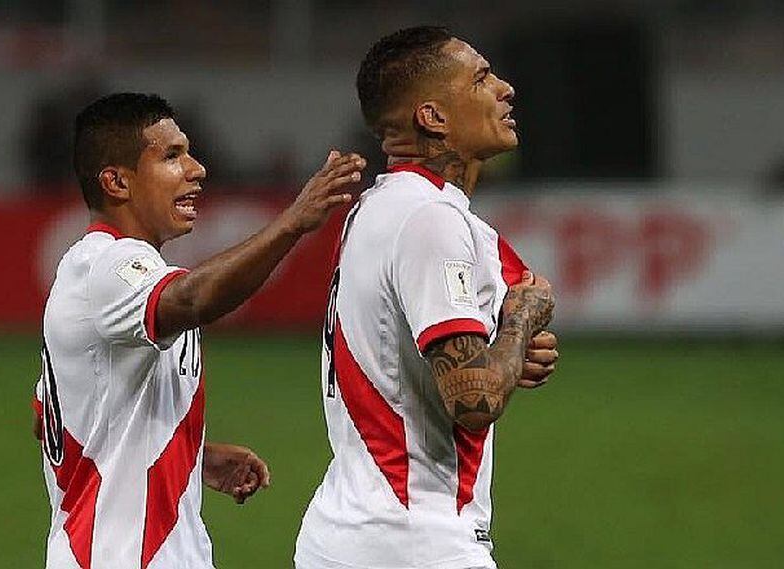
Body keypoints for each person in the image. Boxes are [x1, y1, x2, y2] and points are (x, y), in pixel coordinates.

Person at [31, 92, 364, 569]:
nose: (197, 169)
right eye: (171, 156)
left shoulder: (112, 274)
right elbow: (192, 300)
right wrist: (292, 223)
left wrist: (191, 457)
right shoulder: (107, 265)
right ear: (117, 181)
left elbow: (58, 417)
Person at [294, 27, 559, 569]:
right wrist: (517, 324)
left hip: (353, 529)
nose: (505, 89)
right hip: (413, 537)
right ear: (432, 117)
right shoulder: (430, 219)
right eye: (482, 78)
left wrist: (502, 351)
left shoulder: (381, 207)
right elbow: (473, 400)